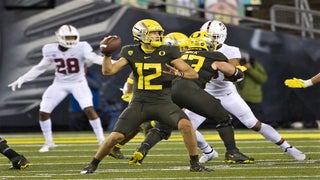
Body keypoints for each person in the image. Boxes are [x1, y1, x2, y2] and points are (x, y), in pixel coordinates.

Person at [80, 19, 212, 174]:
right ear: (141, 34)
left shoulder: (169, 51)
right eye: (154, 33)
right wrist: (107, 55)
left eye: (158, 33)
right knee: (115, 137)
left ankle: (195, 164)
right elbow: (108, 71)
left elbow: (193, 73)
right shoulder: (131, 52)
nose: (158, 36)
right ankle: (93, 164)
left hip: (163, 102)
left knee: (186, 126)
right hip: (139, 103)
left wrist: (178, 73)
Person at [185, 20, 306, 163]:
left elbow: (232, 75)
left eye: (213, 37)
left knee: (253, 123)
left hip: (226, 93)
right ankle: (208, 151)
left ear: (221, 36)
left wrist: (223, 71)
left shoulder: (231, 50)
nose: (209, 40)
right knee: (186, 126)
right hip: (205, 93)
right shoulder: (194, 50)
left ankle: (288, 148)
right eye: (206, 36)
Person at [129, 31, 254, 166]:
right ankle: (232, 152)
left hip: (169, 91)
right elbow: (234, 73)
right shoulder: (213, 56)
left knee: (162, 128)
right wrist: (239, 71)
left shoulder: (182, 56)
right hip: (189, 90)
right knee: (224, 118)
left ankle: (142, 149)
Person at [8, 25, 105, 152]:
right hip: (59, 84)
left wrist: (110, 62)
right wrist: (23, 78)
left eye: (73, 37)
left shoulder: (82, 46)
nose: (70, 40)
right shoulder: (50, 49)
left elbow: (93, 58)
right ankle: (49, 142)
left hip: (78, 82)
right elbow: (40, 68)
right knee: (44, 111)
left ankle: (102, 140)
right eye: (67, 37)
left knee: (89, 109)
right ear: (59, 37)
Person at [233, 49, 268, 126]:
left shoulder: (255, 65)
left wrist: (249, 69)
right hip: (237, 98)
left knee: (258, 121)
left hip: (253, 99)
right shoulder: (232, 65)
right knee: (237, 122)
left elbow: (262, 78)